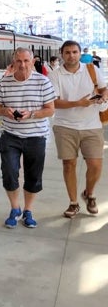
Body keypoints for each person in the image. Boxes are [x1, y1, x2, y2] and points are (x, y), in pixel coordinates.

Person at [0, 47, 55, 229]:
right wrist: (6, 111)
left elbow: (50, 109)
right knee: (9, 173)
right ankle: (15, 208)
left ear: (32, 62)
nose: (22, 65)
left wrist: (32, 114)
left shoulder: (43, 82)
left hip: (36, 136)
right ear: (13, 63)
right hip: (10, 135)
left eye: (26, 61)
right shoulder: (5, 83)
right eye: (18, 61)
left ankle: (28, 210)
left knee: (33, 175)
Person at [47, 41, 107, 218]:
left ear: (80, 53)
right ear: (61, 54)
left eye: (74, 52)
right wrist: (77, 103)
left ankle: (89, 194)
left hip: (92, 125)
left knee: (95, 165)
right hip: (65, 126)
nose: (71, 55)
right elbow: (54, 102)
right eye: (67, 52)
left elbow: (104, 89)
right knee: (69, 164)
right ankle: (73, 203)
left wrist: (103, 96)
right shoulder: (55, 75)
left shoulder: (91, 70)